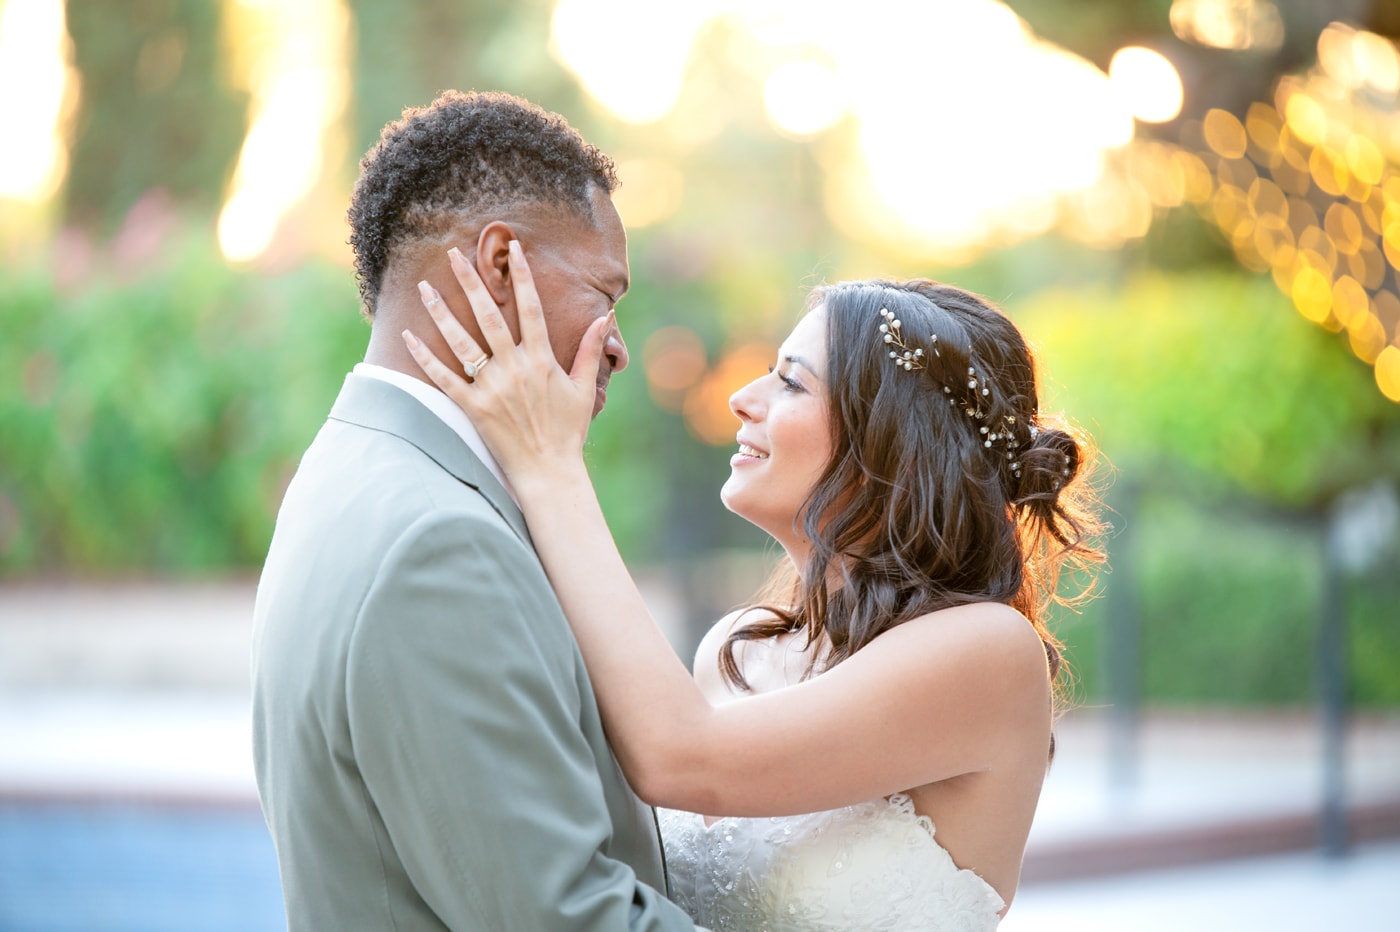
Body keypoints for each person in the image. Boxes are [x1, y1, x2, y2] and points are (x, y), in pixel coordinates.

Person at [402, 253, 1106, 930]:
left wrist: (551, 465)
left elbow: (681, 758)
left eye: (790, 382)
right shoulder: (737, 649)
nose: (742, 399)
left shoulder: (987, 651)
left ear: (890, 439)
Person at [251, 90, 699, 930]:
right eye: (606, 293)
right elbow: (566, 917)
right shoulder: (440, 543)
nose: (618, 344)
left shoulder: (349, 466)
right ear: (501, 263)